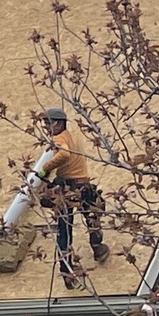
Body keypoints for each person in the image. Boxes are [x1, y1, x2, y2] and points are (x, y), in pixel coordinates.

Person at [37, 106, 108, 283]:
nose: (46, 126)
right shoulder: (72, 136)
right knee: (93, 213)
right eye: (45, 122)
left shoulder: (59, 138)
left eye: (48, 122)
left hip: (68, 189)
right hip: (83, 185)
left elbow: (64, 154)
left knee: (64, 230)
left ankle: (67, 271)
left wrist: (44, 170)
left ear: (59, 123)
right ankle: (98, 247)